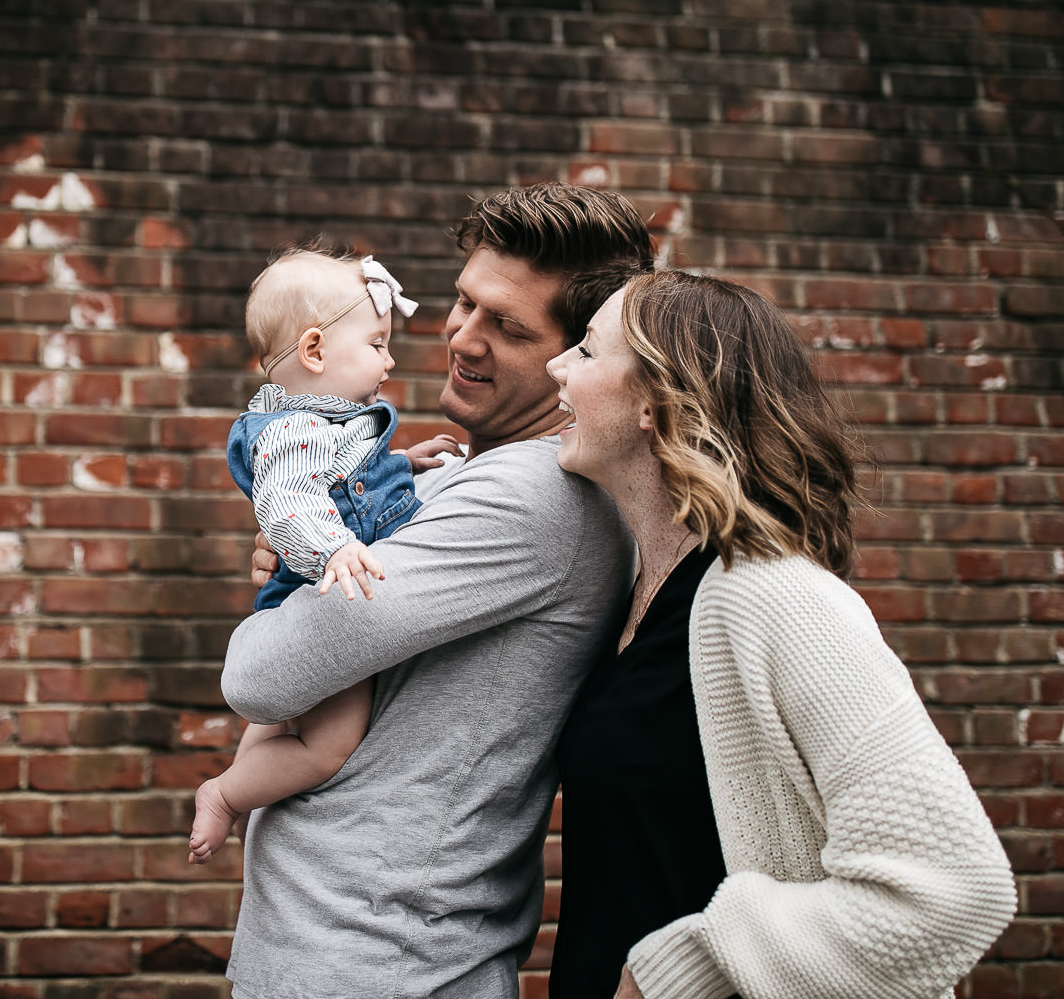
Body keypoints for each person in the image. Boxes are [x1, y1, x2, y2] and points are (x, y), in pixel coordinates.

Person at [219, 183, 656, 999]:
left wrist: (286, 599)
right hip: (346, 949)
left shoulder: (533, 499)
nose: (462, 336)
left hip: (376, 963)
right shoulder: (470, 477)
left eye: (508, 327)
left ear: (573, 356)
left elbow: (259, 678)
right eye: (464, 302)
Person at [544, 270, 1016, 999]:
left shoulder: (779, 598)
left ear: (656, 400)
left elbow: (955, 890)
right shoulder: (637, 593)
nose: (557, 366)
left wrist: (690, 962)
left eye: (585, 350)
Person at [189, 249, 458, 864]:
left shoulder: (328, 420)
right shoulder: (290, 431)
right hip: (320, 591)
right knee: (326, 746)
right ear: (314, 351)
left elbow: (346, 476)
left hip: (319, 588)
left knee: (280, 724)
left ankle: (239, 785)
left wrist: (403, 462)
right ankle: (228, 795)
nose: (389, 361)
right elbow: (289, 506)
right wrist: (334, 547)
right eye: (377, 344)